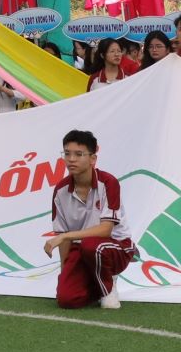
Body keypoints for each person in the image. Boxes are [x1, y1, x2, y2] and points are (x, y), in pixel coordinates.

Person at [45, 129, 135, 309]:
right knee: (66, 299)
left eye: (79, 154)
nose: (71, 159)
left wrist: (66, 236)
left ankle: (109, 286)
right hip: (82, 248)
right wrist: (66, 273)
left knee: (91, 245)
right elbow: (63, 234)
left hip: (116, 246)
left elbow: (106, 229)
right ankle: (97, 281)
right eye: (67, 153)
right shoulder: (60, 191)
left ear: (93, 159)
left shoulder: (108, 183)